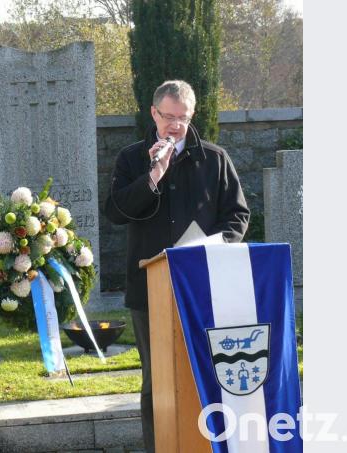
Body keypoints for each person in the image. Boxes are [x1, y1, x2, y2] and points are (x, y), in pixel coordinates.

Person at [104, 80, 250, 453]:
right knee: (157, 380)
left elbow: (237, 216)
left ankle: (209, 444)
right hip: (149, 291)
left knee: (209, 371)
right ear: (153, 114)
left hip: (205, 286)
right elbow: (116, 212)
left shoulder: (215, 159)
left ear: (192, 115)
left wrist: (215, 247)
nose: (174, 126)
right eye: (168, 117)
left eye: (182, 118)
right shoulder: (132, 159)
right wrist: (154, 174)